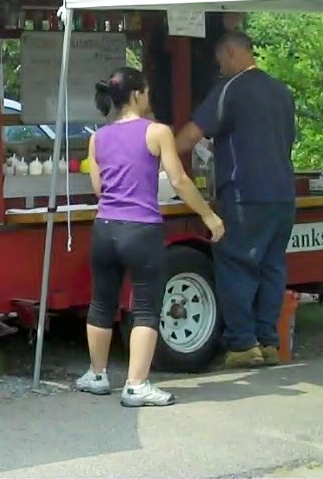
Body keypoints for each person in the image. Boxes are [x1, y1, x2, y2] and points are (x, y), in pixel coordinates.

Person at [76, 67, 225, 408]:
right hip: (141, 229)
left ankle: (96, 375)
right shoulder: (158, 132)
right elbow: (179, 181)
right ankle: (137, 384)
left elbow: (98, 188)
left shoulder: (98, 137)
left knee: (101, 302)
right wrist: (208, 215)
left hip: (105, 229)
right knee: (145, 306)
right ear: (138, 94)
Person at [177, 30, 297, 369]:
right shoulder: (282, 92)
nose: (219, 68)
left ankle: (243, 345)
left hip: (245, 194)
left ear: (231, 52)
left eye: (220, 61)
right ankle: (269, 342)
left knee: (236, 266)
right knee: (272, 267)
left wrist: (158, 151)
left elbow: (190, 135)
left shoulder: (229, 90)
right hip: (283, 196)